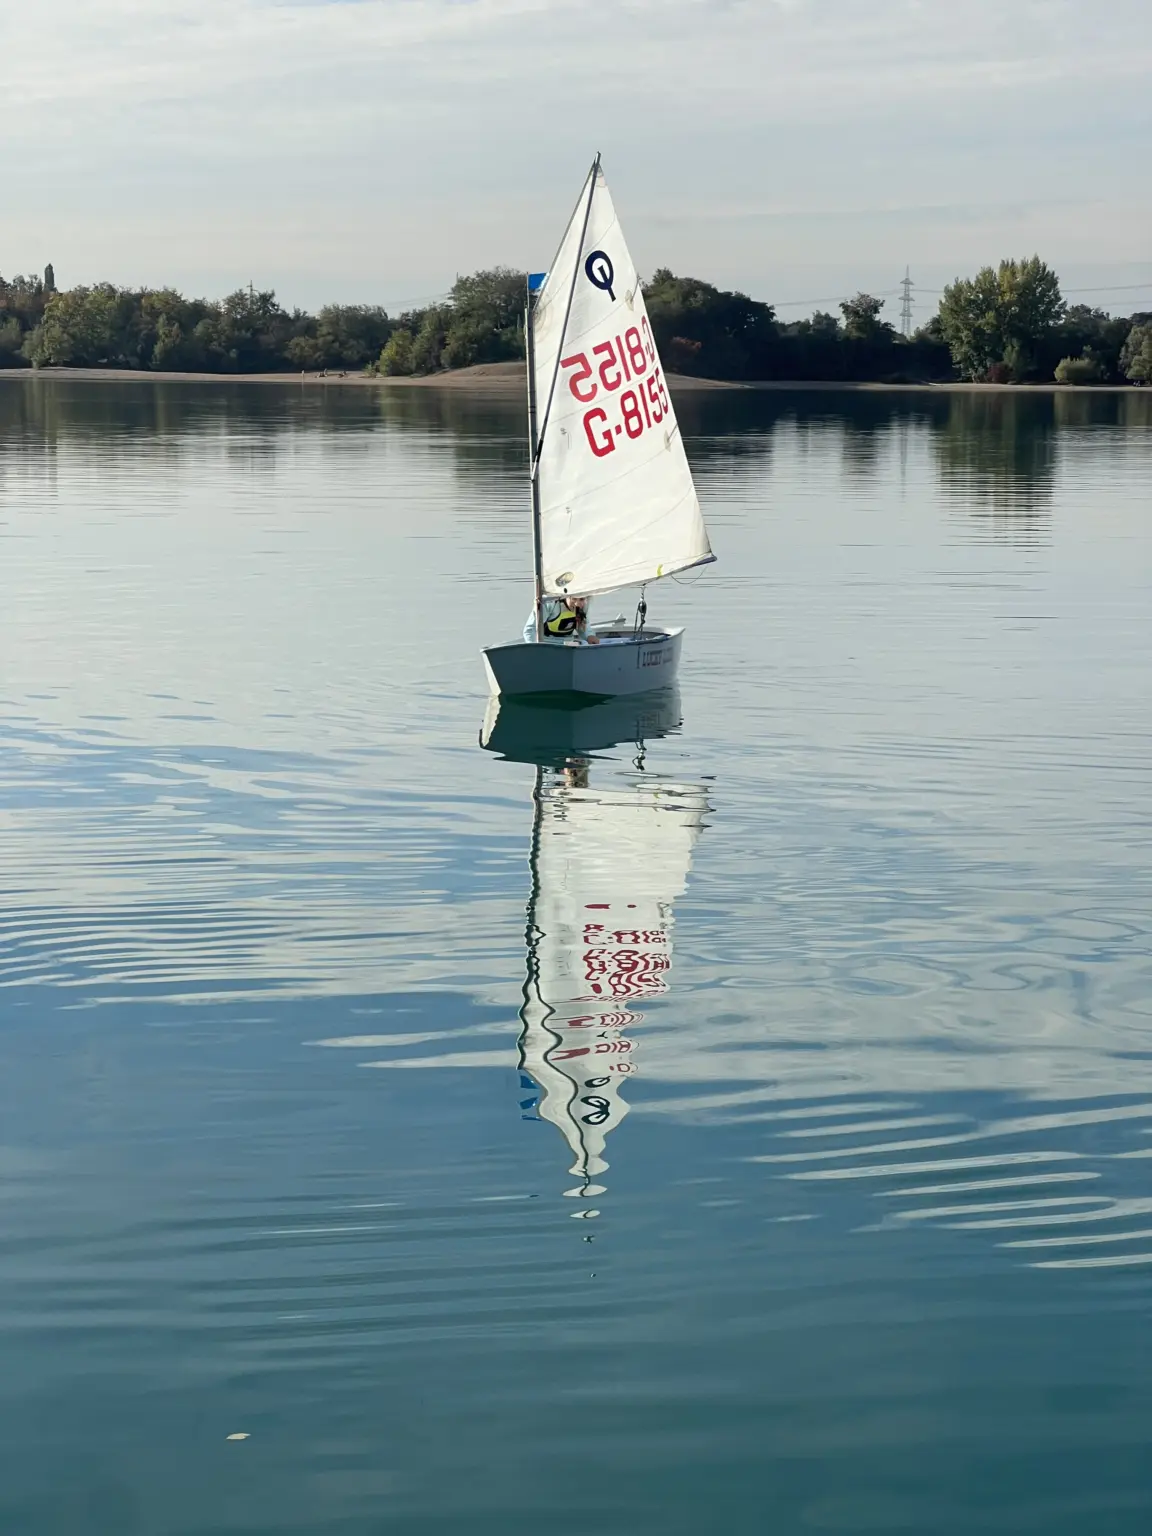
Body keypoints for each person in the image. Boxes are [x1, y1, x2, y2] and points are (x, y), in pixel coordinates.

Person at [523, 595, 592, 643]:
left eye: (582, 599)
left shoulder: (583, 605)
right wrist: (534, 649)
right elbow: (530, 630)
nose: (577, 603)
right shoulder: (548, 602)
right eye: (574, 599)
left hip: (568, 645)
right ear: (566, 595)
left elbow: (583, 626)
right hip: (547, 644)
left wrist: (589, 636)